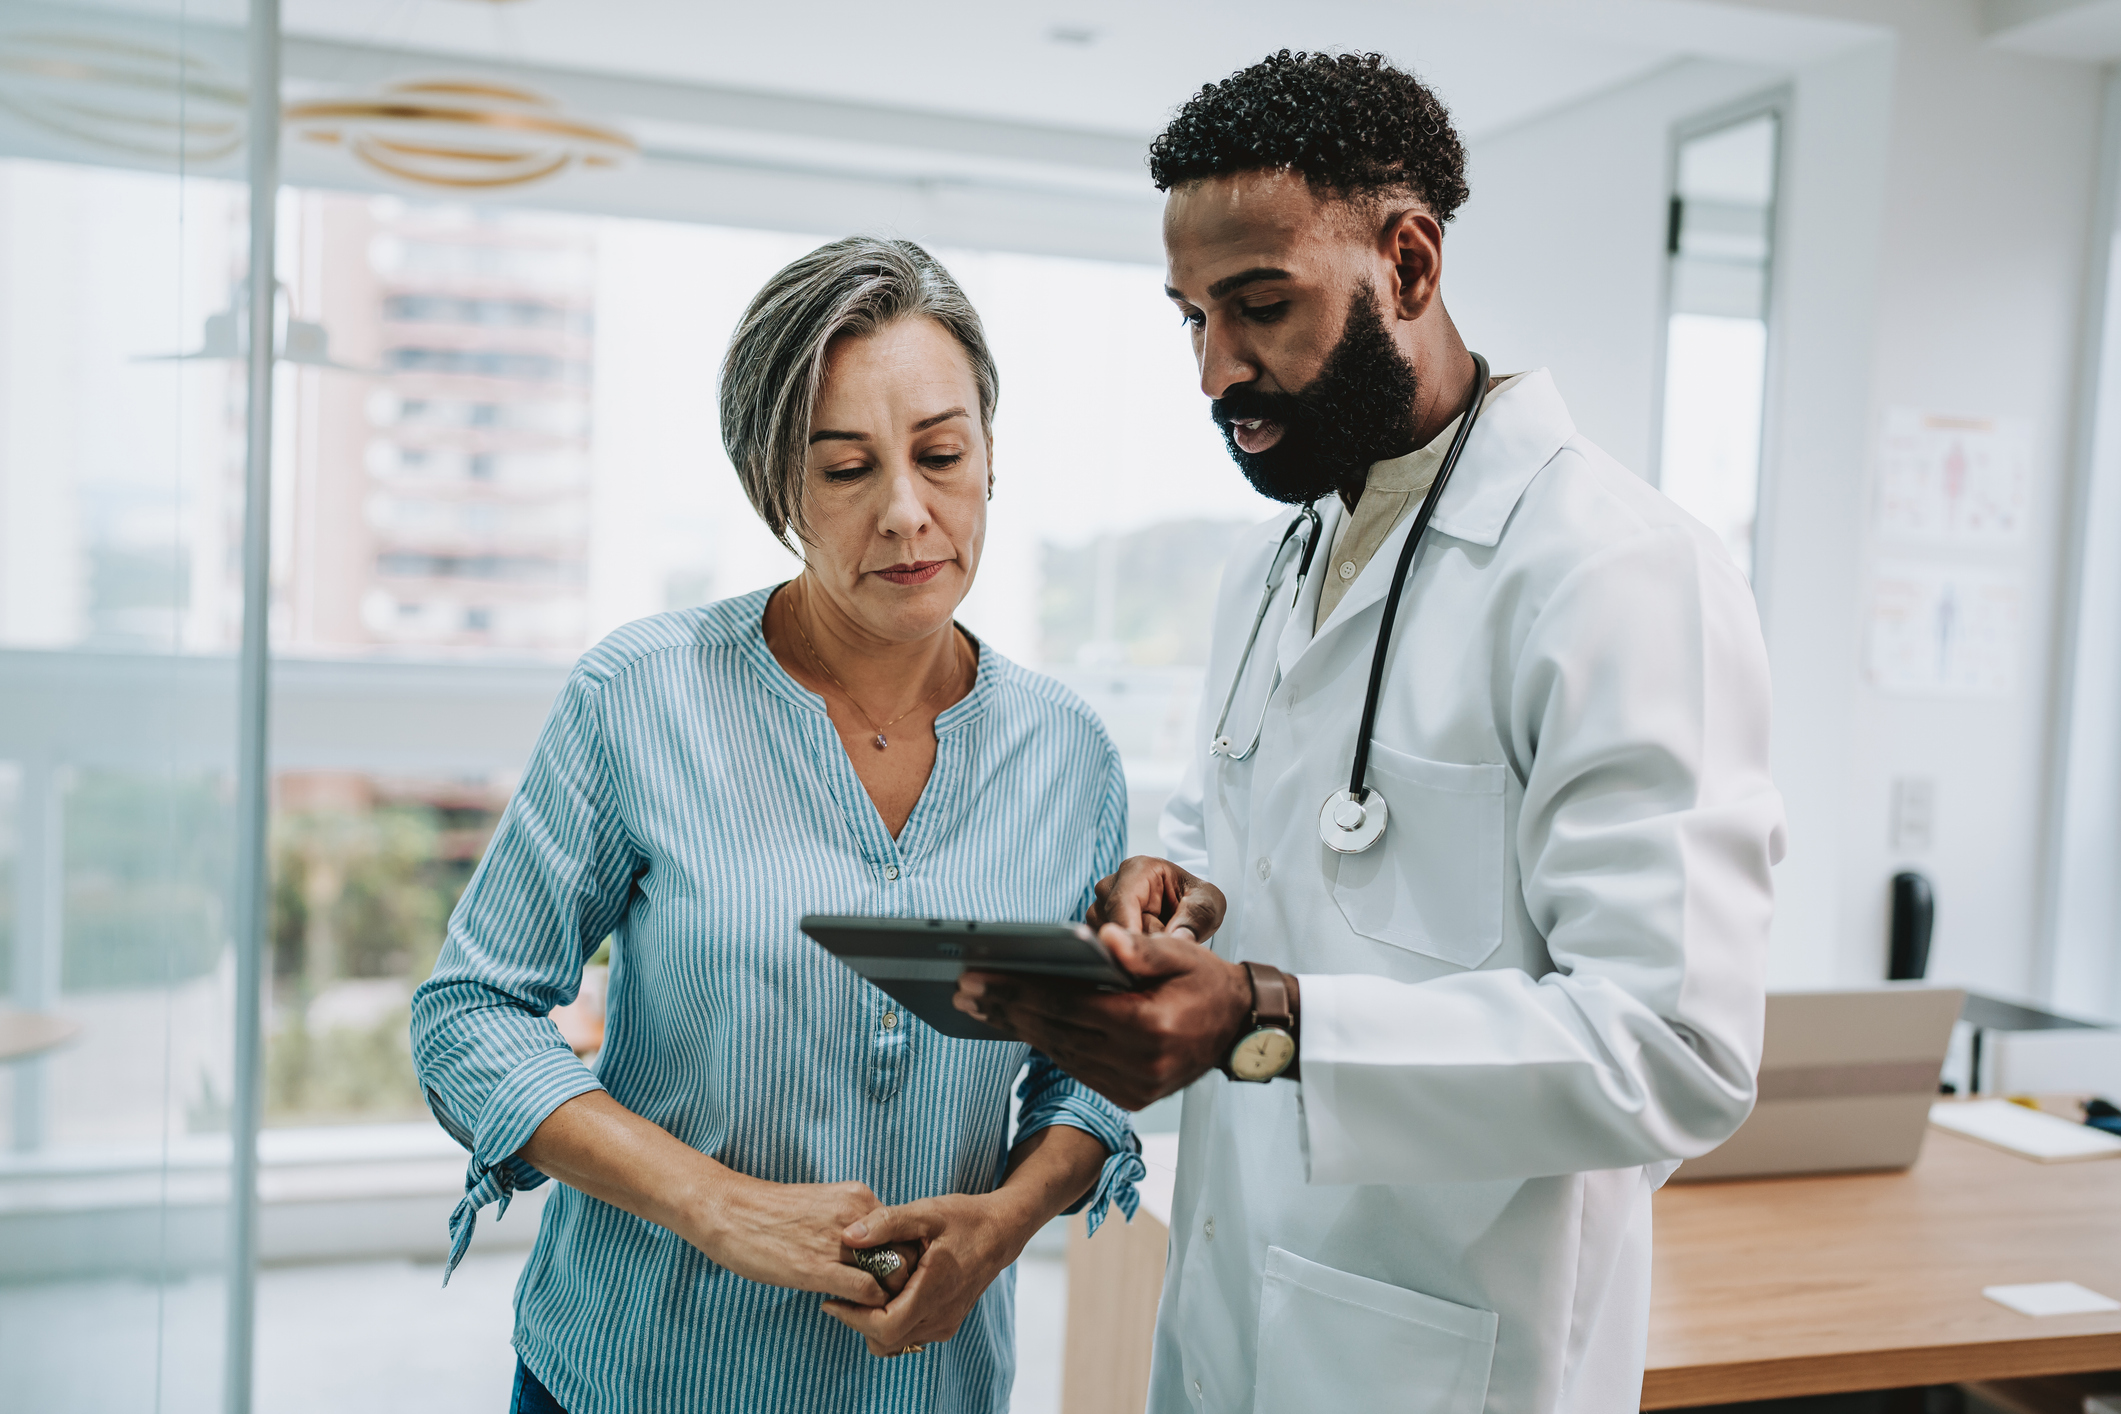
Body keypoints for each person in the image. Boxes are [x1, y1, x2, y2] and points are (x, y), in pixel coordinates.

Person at [954, 51, 1786, 1414]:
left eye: (1261, 305)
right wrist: (1175, 899)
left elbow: (1674, 1050)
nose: (1218, 367)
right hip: (1231, 1305)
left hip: (1457, 1348)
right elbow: (1247, 850)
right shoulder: (1275, 564)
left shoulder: (1617, 571)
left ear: (1407, 264)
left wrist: (1268, 1021)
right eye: (1191, 319)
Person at [411, 236, 1141, 1414]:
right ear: (774, 486)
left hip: (930, 1390)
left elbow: (1095, 1068)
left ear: (991, 458)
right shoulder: (641, 697)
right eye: (846, 468)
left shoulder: (1069, 755)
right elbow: (469, 1016)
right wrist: (714, 1201)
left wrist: (1004, 1224)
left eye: (943, 454)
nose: (909, 512)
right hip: (634, 1375)